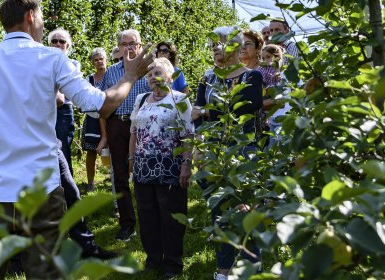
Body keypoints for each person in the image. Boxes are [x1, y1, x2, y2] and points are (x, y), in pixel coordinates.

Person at [0, 0, 153, 279]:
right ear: (30, 17)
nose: (42, 25)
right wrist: (129, 77)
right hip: (41, 190)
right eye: (41, 18)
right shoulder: (52, 59)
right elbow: (102, 104)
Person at [191, 27, 264, 280]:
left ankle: (251, 267)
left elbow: (245, 109)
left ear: (234, 47)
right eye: (212, 44)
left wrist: (207, 112)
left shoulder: (252, 77)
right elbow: (196, 116)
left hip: (243, 152)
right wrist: (200, 144)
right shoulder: (206, 78)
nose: (214, 48)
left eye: (219, 43)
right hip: (212, 152)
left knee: (245, 211)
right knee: (218, 212)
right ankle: (223, 270)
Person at [129, 58, 193, 278]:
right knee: (147, 215)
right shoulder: (140, 99)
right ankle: (153, 259)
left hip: (170, 165)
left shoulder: (180, 99)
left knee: (171, 216)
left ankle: (173, 264)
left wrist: (186, 164)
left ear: (169, 76)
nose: (152, 77)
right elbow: (134, 132)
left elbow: (187, 135)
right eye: (149, 75)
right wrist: (131, 160)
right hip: (143, 165)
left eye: (157, 73)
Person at [99, 29, 151, 242]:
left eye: (134, 43)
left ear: (140, 46)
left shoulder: (149, 70)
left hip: (143, 127)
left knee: (144, 173)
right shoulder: (111, 72)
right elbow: (102, 105)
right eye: (125, 43)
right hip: (118, 125)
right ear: (119, 47)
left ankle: (148, 221)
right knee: (119, 175)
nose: (130, 47)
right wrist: (104, 135)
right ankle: (127, 224)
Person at [49, 28, 79, 175]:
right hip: (45, 110)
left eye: (62, 41)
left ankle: (68, 189)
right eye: (54, 41)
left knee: (63, 149)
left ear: (68, 46)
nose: (58, 44)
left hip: (64, 111)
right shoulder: (44, 63)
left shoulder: (73, 64)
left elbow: (65, 92)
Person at [82, 48, 108, 192]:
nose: (99, 62)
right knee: (91, 152)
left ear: (106, 60)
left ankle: (113, 178)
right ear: (93, 63)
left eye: (101, 59)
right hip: (92, 118)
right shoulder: (89, 79)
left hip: (109, 117)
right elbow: (86, 98)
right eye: (96, 60)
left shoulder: (111, 76)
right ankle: (90, 182)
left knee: (112, 150)